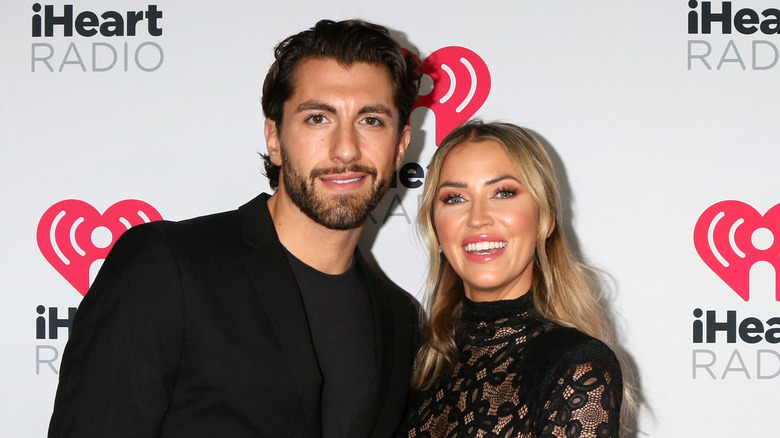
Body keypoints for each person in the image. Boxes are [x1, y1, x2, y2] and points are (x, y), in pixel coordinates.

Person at [48, 19, 421, 438]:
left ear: (401, 144)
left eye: (371, 121)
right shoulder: (169, 266)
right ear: (275, 139)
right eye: (318, 118)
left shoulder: (400, 320)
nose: (346, 148)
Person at [396, 121, 626, 437]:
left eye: (503, 193)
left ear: (545, 220)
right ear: (436, 227)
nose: (477, 218)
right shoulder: (421, 363)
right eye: (454, 198)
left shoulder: (576, 367)